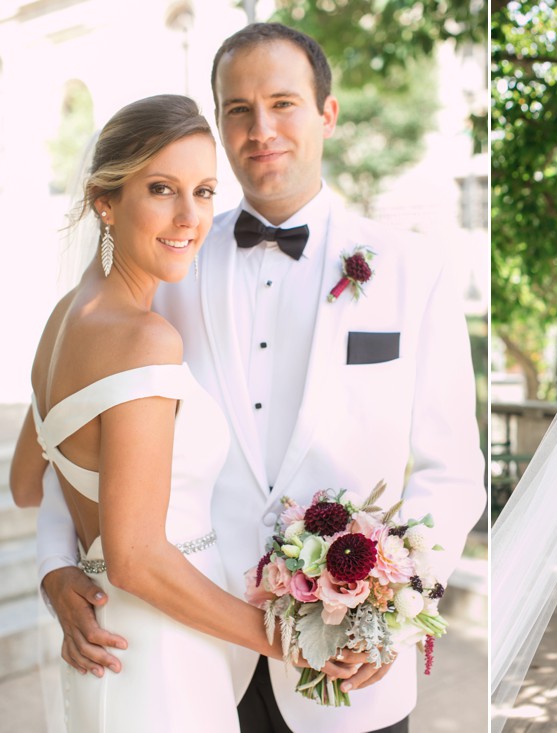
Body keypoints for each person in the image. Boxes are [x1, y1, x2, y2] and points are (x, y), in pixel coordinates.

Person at [26, 22, 485, 733]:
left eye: (283, 103)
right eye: (237, 109)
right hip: (198, 649)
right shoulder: (168, 259)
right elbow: (80, 431)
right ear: (218, 123)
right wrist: (59, 565)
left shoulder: (412, 270)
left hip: (352, 667)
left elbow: (451, 473)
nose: (260, 128)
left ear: (327, 114)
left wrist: (395, 614)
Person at [7, 93, 335, 732]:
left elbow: (26, 482)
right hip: (159, 653)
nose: (190, 217)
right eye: (162, 189)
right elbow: (135, 558)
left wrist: (63, 566)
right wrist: (292, 645)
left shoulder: (64, 320)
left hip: (121, 642)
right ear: (106, 200)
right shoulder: (143, 338)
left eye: (206, 191)